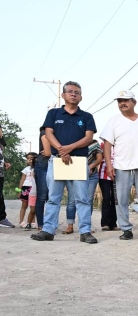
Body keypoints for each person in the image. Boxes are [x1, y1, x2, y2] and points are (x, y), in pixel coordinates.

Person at [31, 81, 98, 244]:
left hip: (79, 161)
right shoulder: (54, 114)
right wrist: (61, 150)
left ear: (81, 97)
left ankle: (85, 231)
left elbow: (88, 138)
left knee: (82, 198)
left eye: (77, 92)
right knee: (54, 197)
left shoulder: (87, 117)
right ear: (63, 95)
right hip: (57, 160)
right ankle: (48, 230)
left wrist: (68, 149)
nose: (73, 94)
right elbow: (48, 133)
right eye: (70, 91)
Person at [102, 90, 138, 242]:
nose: (122, 103)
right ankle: (126, 229)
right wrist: (109, 165)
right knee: (121, 200)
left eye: (126, 100)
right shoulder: (113, 121)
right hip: (121, 166)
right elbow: (107, 144)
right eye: (120, 101)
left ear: (134, 102)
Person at [98, 141, 117, 231]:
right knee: (106, 198)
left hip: (117, 175)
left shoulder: (120, 144)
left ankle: (113, 223)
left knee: (115, 199)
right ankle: (105, 223)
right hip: (104, 175)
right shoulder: (102, 145)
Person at [34, 128, 50, 230]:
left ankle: (49, 223)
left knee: (52, 197)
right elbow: (47, 153)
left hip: (54, 165)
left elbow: (49, 151)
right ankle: (41, 224)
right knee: (42, 196)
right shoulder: (45, 131)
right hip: (43, 164)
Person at [18, 153, 37, 228]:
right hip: (26, 188)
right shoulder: (26, 169)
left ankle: (32, 222)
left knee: (33, 206)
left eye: (31, 158)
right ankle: (21, 221)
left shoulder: (38, 168)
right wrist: (19, 190)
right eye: (28, 158)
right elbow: (22, 180)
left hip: (34, 188)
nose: (29, 160)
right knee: (24, 206)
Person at [86, 139, 103, 214]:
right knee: (74, 200)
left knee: (89, 199)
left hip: (92, 175)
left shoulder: (94, 143)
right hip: (78, 174)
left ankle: (86, 222)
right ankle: (71, 223)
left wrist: (90, 166)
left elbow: (99, 159)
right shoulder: (74, 141)